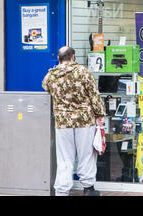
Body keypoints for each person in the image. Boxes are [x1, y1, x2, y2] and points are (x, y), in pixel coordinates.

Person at [42, 46, 106, 196]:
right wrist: (100, 114)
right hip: (84, 121)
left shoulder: (52, 75)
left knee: (64, 159)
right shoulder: (82, 72)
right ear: (73, 57)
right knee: (86, 156)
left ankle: (62, 191)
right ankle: (88, 189)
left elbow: (45, 86)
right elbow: (94, 95)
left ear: (59, 58)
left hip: (63, 122)